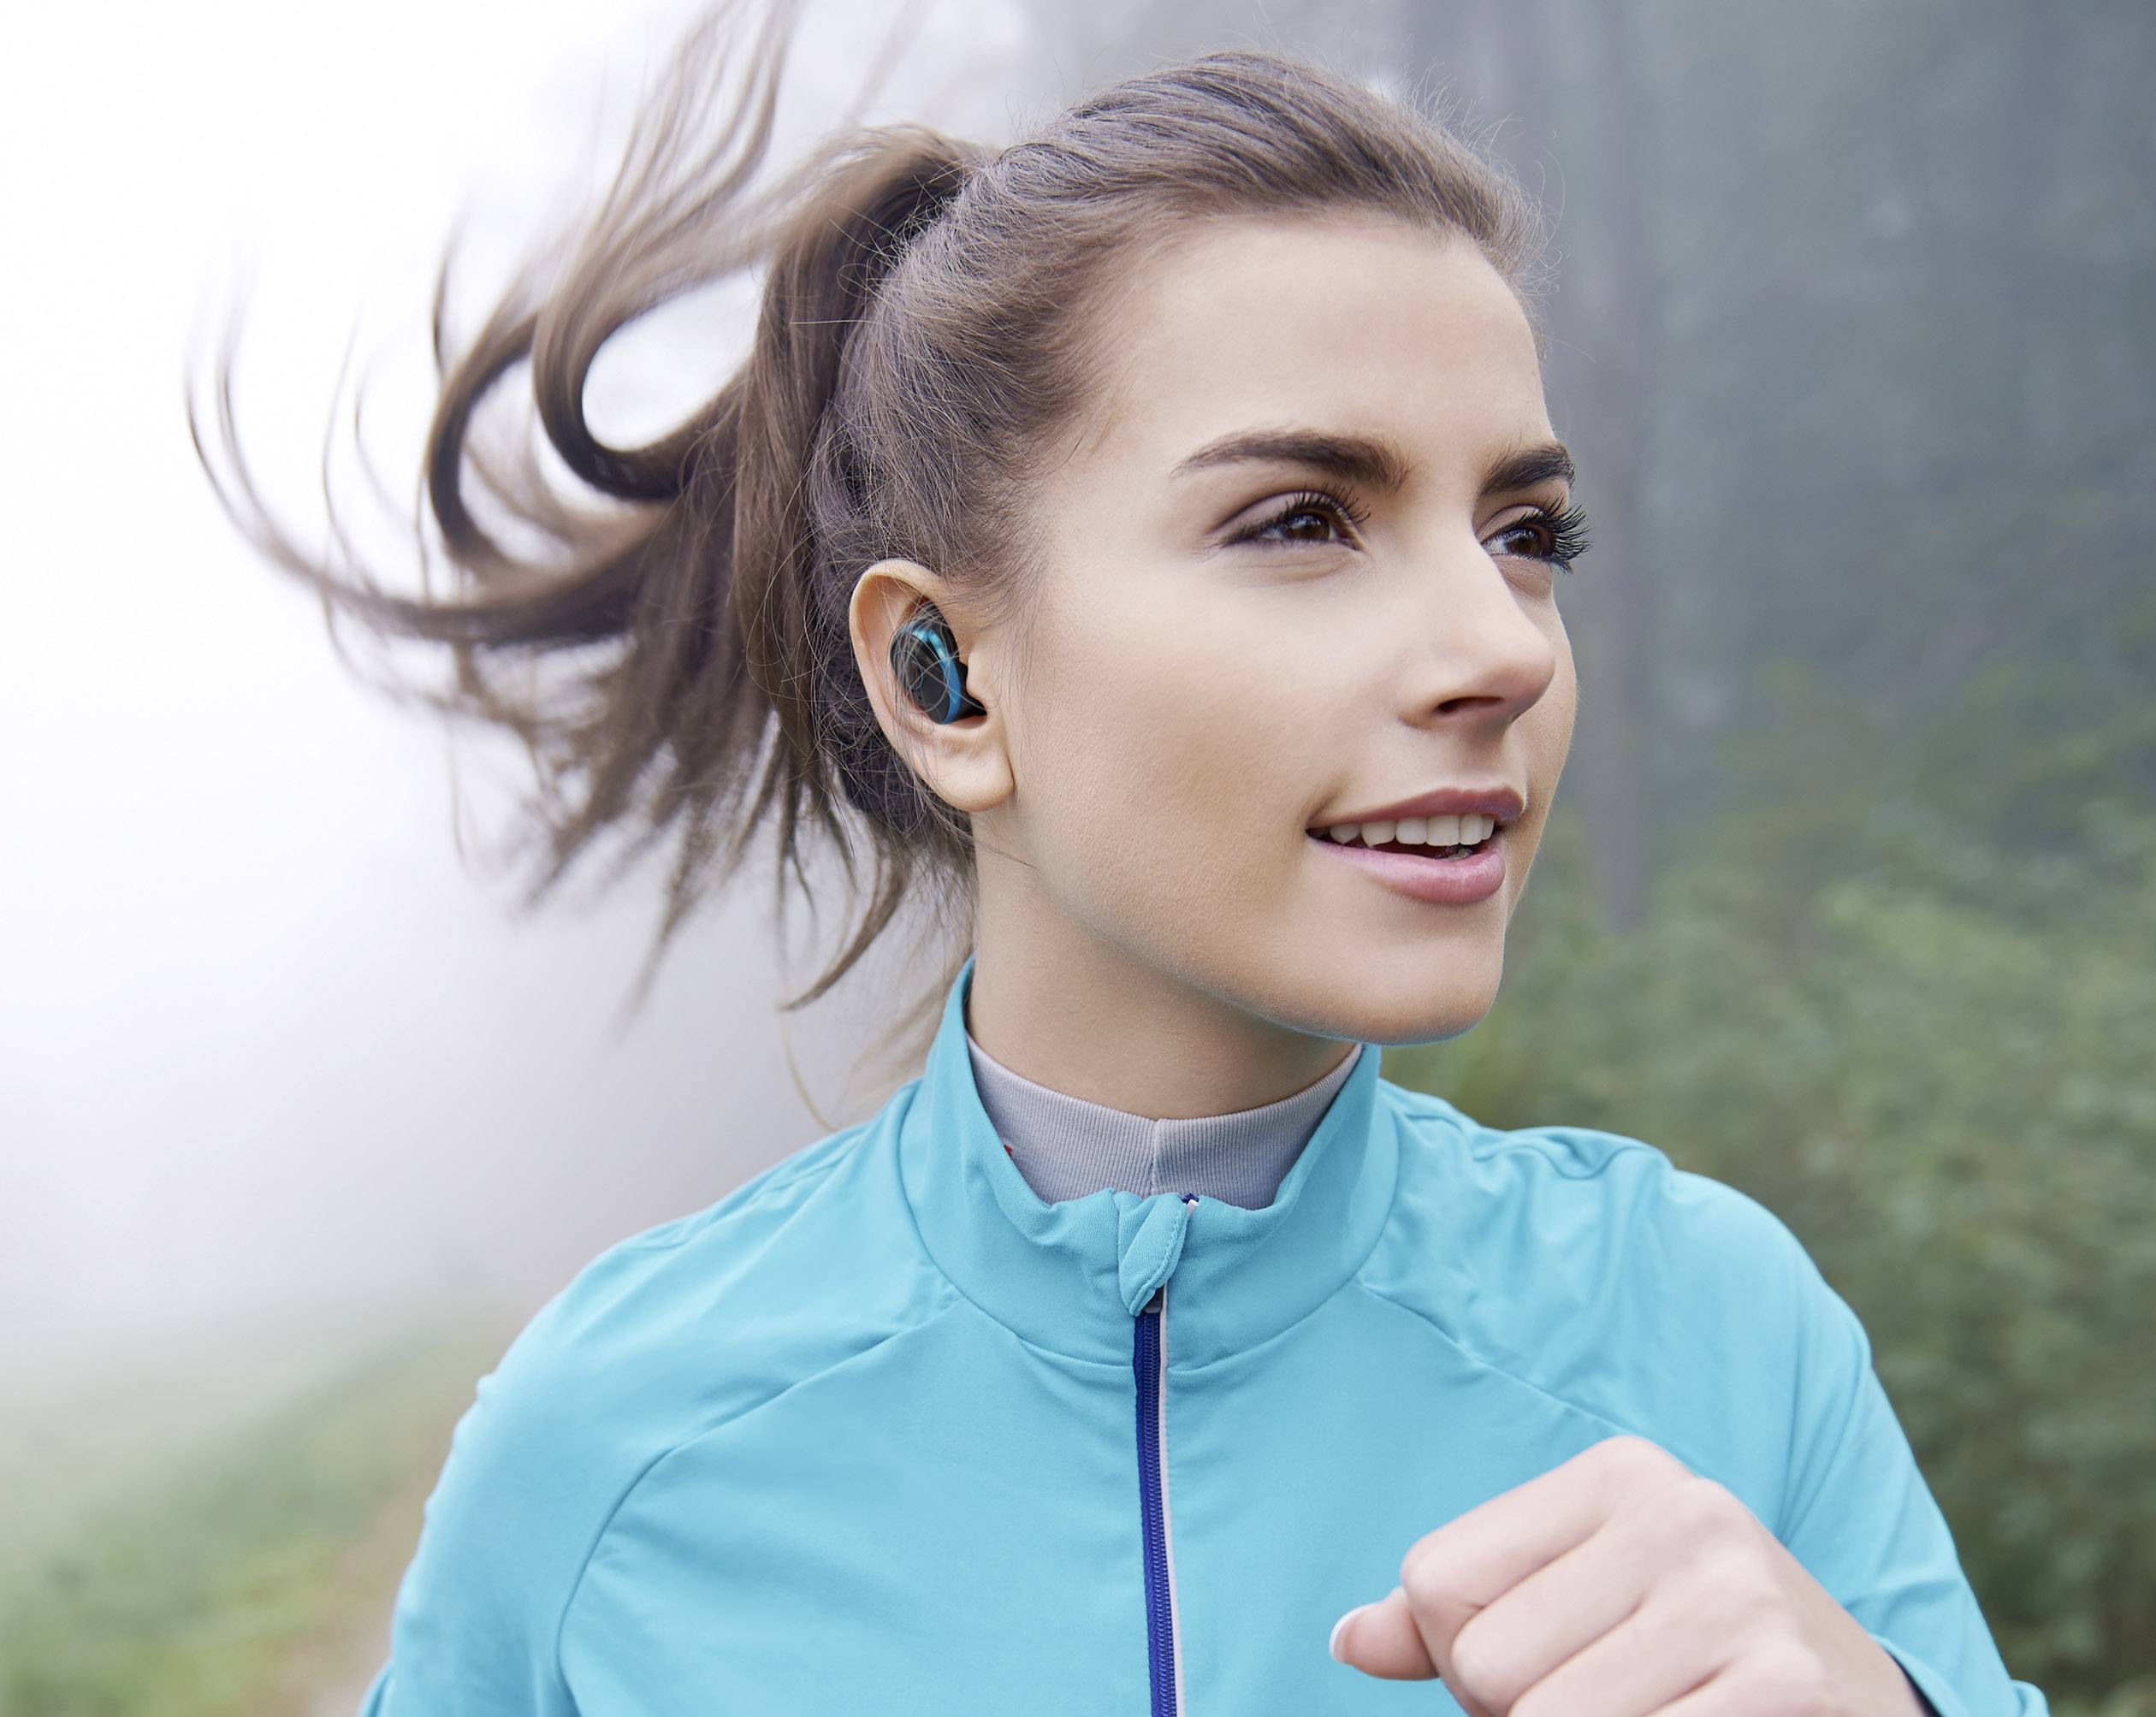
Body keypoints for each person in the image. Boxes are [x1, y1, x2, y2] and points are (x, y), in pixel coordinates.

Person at [190, 2, 2047, 1712]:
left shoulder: (1723, 1328)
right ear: (943, 679)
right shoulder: (611, 1445)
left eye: (1525, 528)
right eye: (1303, 517)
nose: (1502, 644)